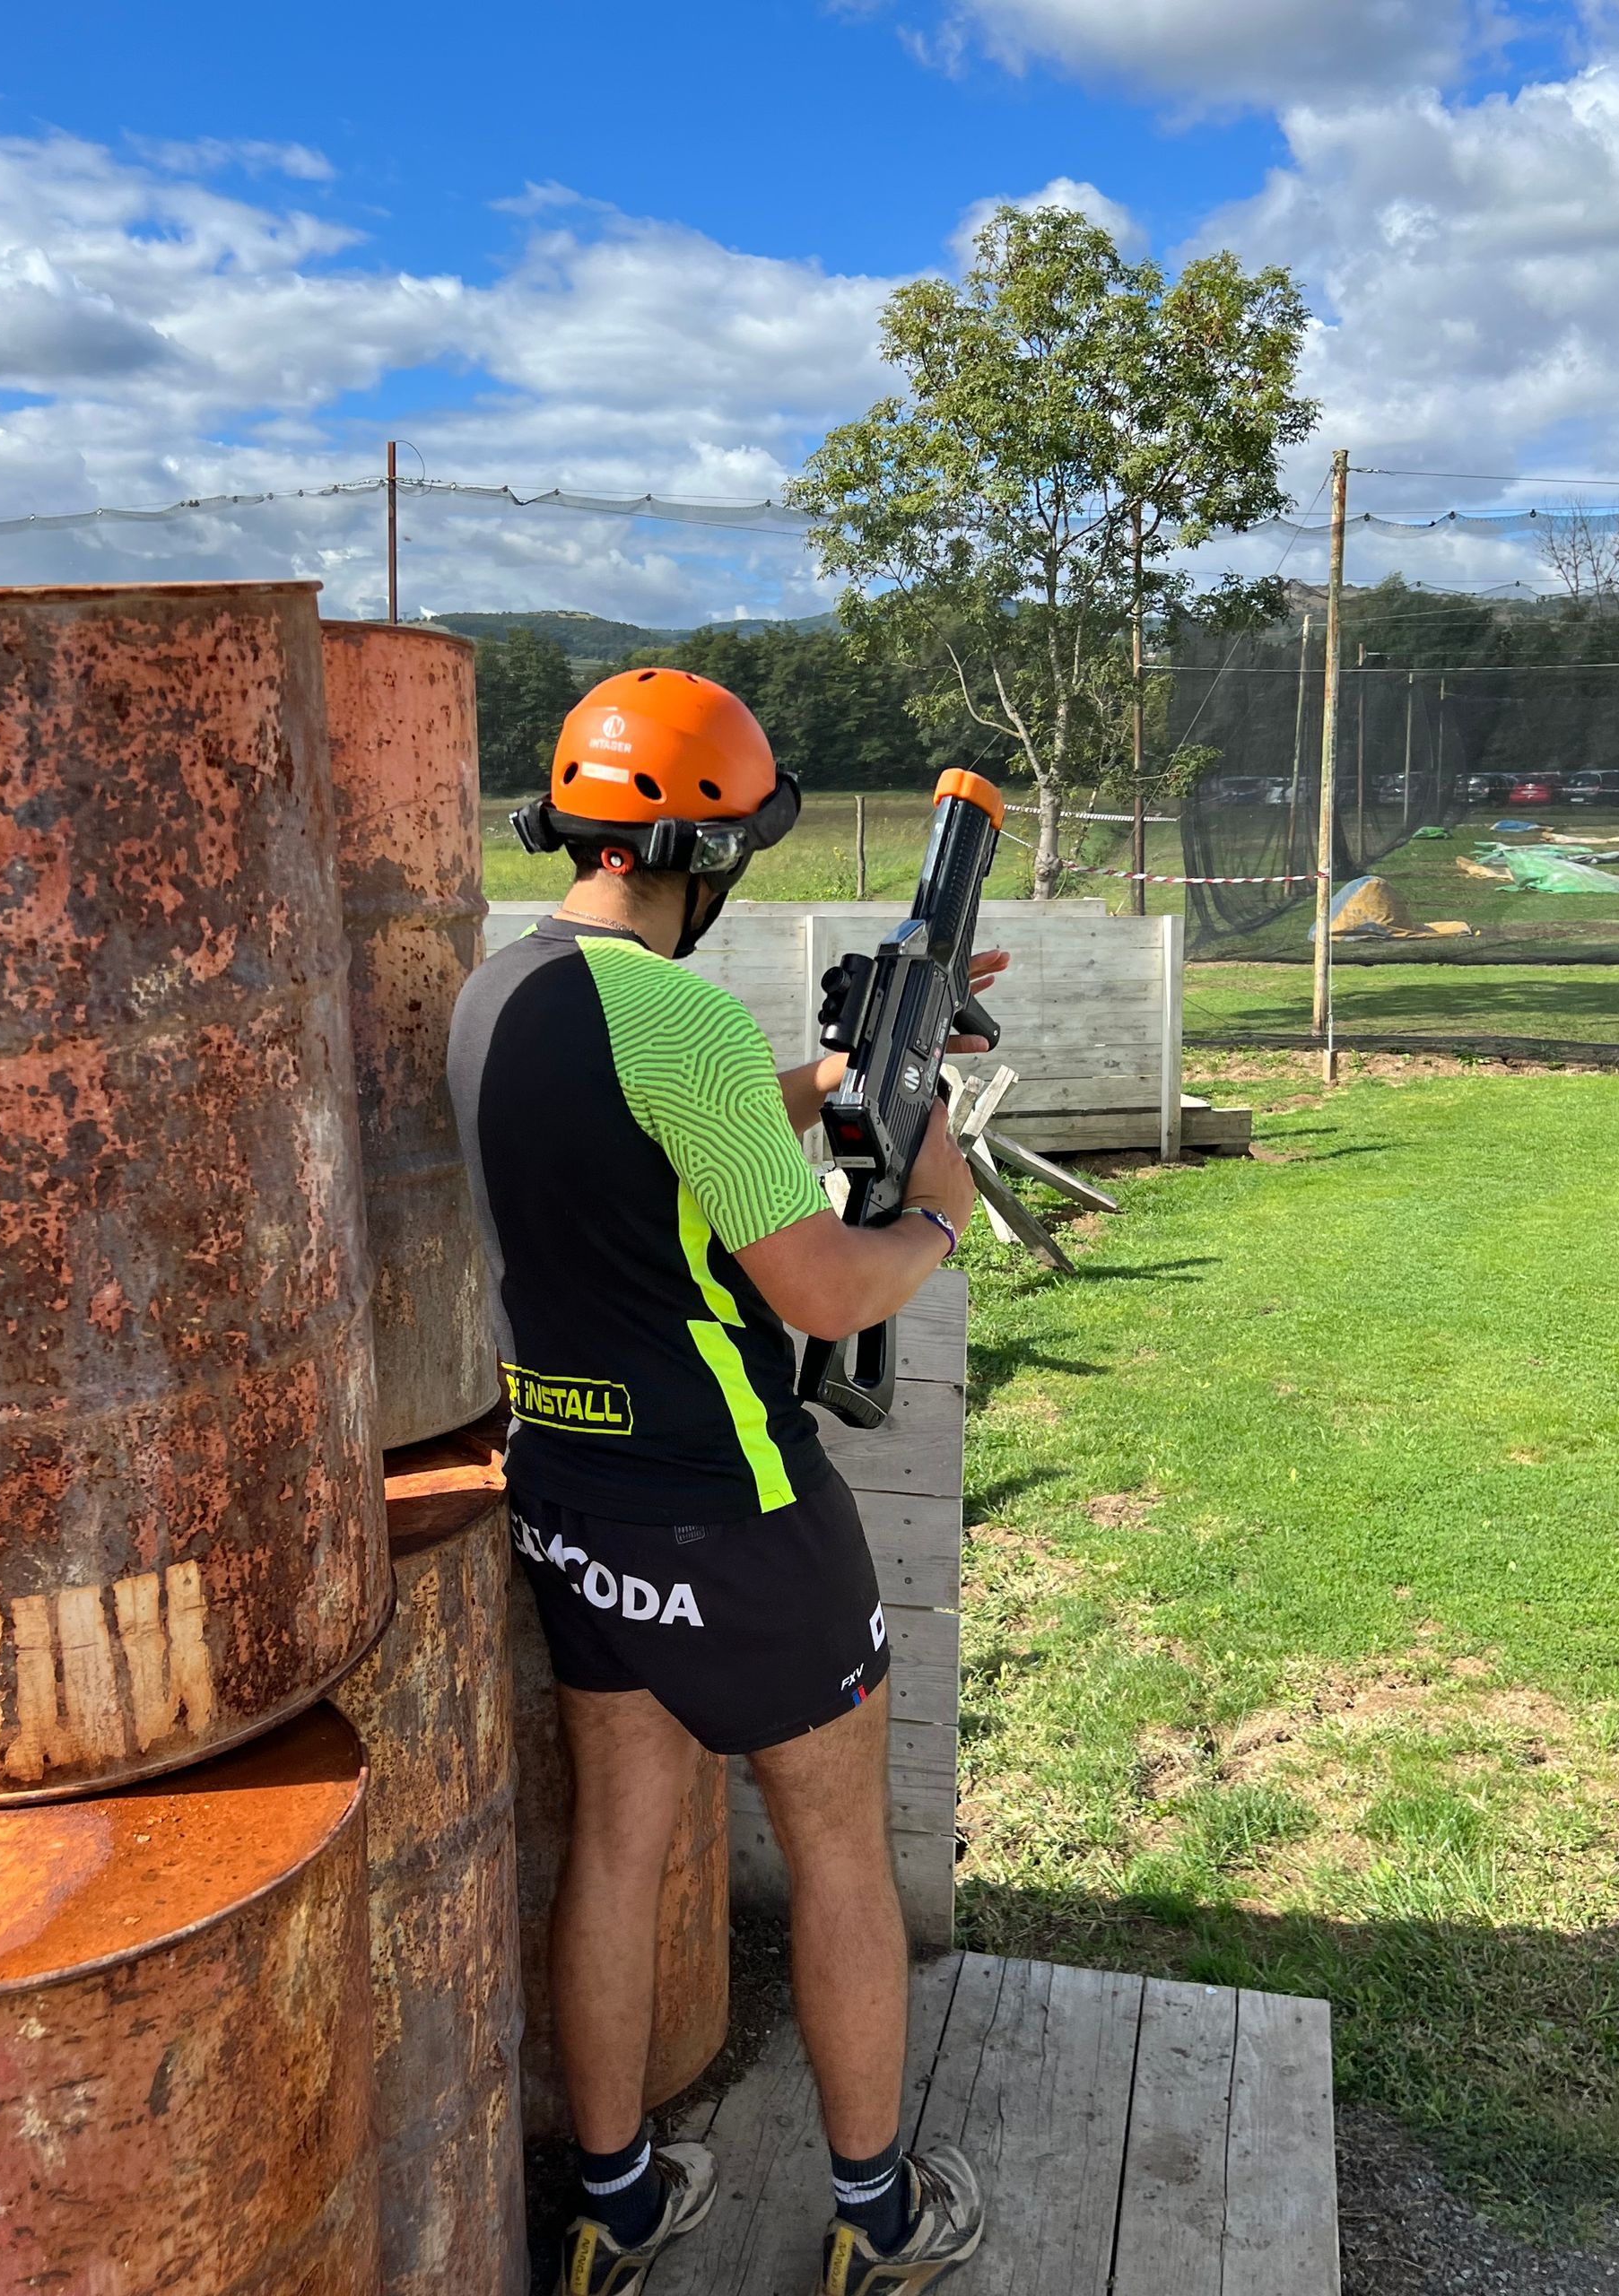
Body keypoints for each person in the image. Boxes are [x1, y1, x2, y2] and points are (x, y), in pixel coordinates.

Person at [449, 667, 1003, 2296]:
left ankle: (616, 2207)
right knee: (838, 1850)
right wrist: (941, 1210)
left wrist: (834, 1088)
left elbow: (648, 1136)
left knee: (619, 1838)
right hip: (735, 1504)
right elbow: (826, 1290)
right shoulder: (677, 1012)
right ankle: (879, 2219)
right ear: (704, 842)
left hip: (568, 1486)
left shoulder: (503, 991)